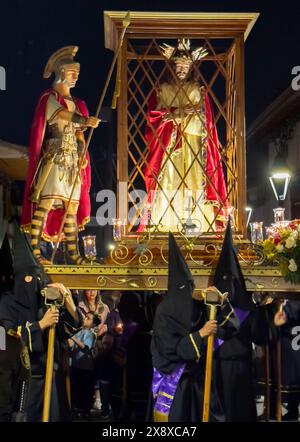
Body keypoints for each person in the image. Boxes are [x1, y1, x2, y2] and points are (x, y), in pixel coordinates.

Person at [20, 46, 100, 265]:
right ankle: (35, 250)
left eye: (77, 74)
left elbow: (80, 135)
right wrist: (84, 120)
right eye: (73, 73)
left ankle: (74, 253)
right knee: (46, 201)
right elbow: (59, 114)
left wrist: (83, 153)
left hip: (73, 159)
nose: (75, 77)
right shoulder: (49, 98)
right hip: (55, 155)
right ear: (62, 72)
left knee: (71, 207)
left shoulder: (78, 103)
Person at [138, 38, 227, 233]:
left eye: (185, 66)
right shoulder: (163, 89)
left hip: (194, 144)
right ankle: (166, 224)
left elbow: (207, 121)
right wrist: (175, 114)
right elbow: (153, 117)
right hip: (169, 146)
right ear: (172, 66)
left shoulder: (198, 90)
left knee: (194, 180)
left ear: (191, 68)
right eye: (178, 65)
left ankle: (197, 224)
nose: (181, 70)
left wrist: (190, 116)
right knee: (169, 180)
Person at [151, 232, 239, 422]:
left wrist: (221, 303)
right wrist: (200, 334)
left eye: (189, 287)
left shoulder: (196, 308)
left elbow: (231, 328)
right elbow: (169, 351)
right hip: (174, 387)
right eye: (183, 288)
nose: (187, 293)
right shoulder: (164, 313)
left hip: (200, 385)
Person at [0, 224, 83, 422]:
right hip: (21, 386)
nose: (34, 283)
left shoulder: (43, 301)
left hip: (49, 382)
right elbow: (7, 341)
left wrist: (69, 302)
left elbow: (68, 330)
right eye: (29, 278)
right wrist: (40, 325)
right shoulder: (6, 304)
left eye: (37, 277)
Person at [68, 311, 100, 418]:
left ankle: (85, 411)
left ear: (94, 324)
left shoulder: (91, 334)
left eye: (88, 318)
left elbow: (85, 347)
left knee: (85, 390)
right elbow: (70, 344)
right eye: (85, 317)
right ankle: (77, 409)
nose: (85, 319)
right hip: (76, 366)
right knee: (76, 389)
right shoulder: (79, 331)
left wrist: (72, 337)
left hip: (86, 368)